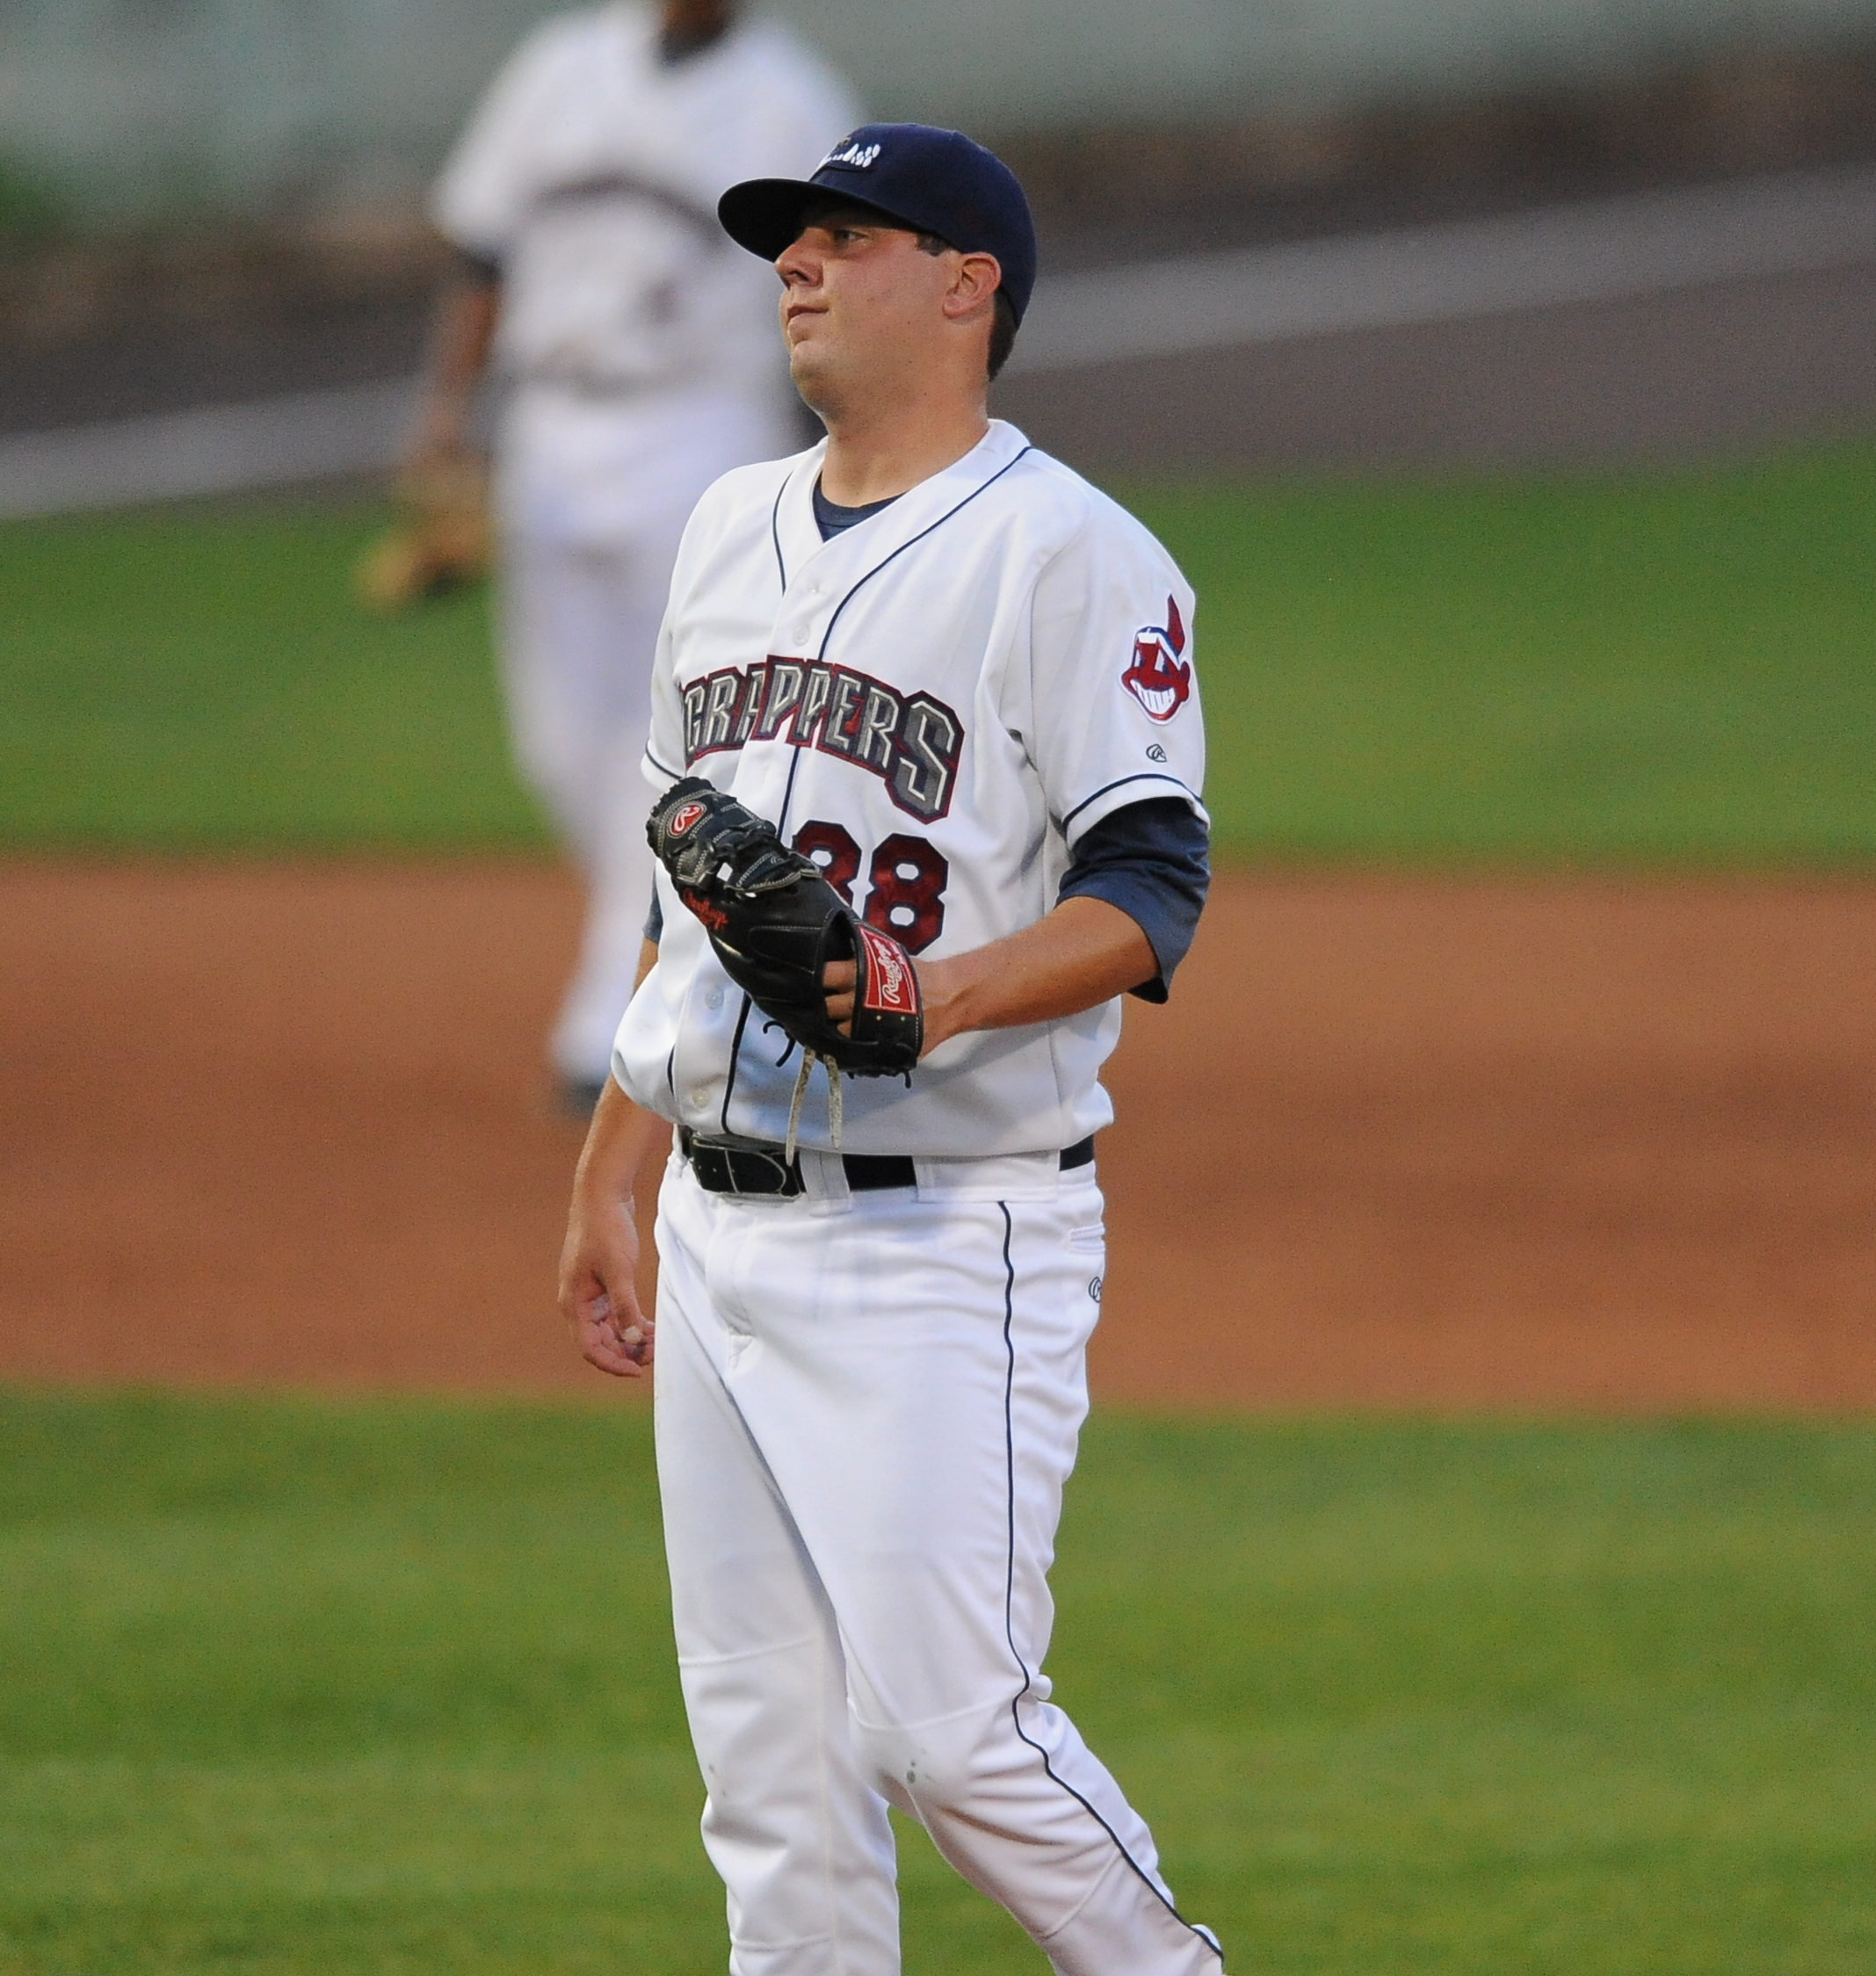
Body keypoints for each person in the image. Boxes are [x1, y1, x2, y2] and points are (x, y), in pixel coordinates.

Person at [559, 124, 1226, 1974]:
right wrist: (613, 1158)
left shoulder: (1073, 556)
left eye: (845, 238)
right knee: (770, 1779)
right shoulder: (722, 523)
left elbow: (1149, 892)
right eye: (787, 241)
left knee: (946, 1734)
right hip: (711, 1228)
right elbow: (694, 875)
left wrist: (927, 997)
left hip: (943, 1238)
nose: (796, 265)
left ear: (965, 287)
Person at [407, 0, 858, 1108]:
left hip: (702, 425)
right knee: (561, 746)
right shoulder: (560, 66)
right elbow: (480, 251)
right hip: (550, 426)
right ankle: (677, 969)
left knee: (675, 734)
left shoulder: (792, 102)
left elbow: (842, 295)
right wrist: (443, 417)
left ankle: (609, 1016)